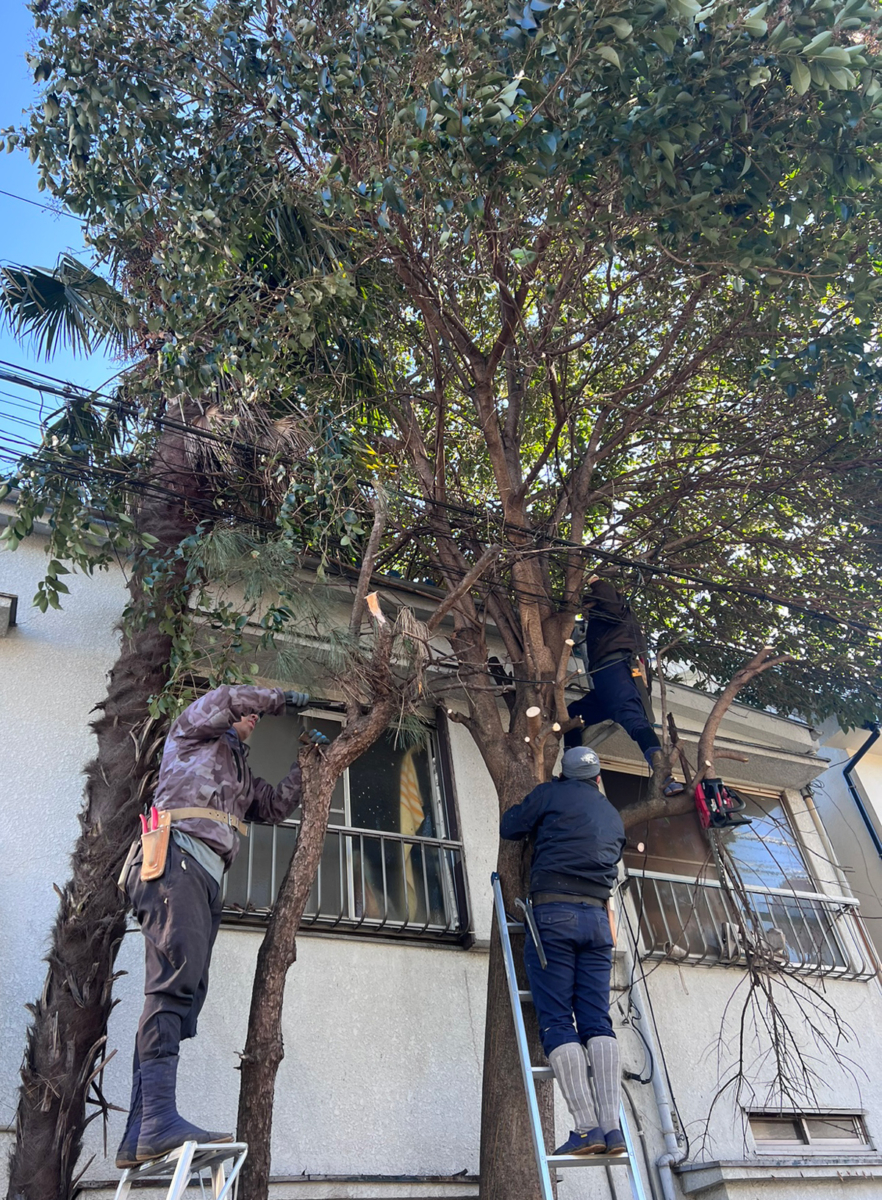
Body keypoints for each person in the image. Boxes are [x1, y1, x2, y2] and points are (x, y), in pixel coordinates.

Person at [116, 683, 318, 1167]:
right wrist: (279, 698)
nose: (254, 718)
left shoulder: (239, 769)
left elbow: (271, 806)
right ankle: (159, 1119)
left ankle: (139, 1132)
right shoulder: (193, 731)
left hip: (205, 877)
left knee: (185, 998)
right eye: (251, 713)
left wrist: (304, 766)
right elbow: (231, 696)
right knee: (173, 985)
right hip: (175, 858)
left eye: (258, 716)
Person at [500, 745, 627, 1157]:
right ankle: (613, 1129)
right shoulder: (612, 814)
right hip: (597, 922)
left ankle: (586, 1128)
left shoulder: (550, 794)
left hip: (555, 913)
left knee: (557, 1021)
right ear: (597, 777)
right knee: (597, 1021)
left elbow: (511, 826)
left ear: (564, 774)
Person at [565, 577, 683, 796]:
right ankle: (573, 769)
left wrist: (596, 581)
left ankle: (663, 775)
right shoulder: (609, 620)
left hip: (615, 668)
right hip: (607, 679)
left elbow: (611, 600)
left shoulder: (616, 609)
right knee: (573, 716)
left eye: (589, 607)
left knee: (632, 718)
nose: (587, 613)